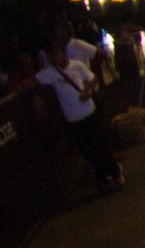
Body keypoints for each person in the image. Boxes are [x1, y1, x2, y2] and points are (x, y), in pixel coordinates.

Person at [35, 17, 123, 190]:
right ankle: (102, 175)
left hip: (88, 112)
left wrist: (88, 91)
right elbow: (34, 81)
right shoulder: (51, 73)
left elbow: (92, 78)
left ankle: (113, 170)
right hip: (73, 119)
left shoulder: (77, 64)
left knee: (100, 144)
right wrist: (35, 97)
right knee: (87, 149)